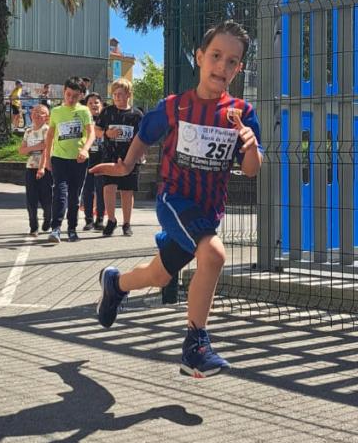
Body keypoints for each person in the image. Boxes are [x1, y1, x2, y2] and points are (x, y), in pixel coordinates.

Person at [91, 21, 263, 377]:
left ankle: (115, 285)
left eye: (232, 61)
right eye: (216, 56)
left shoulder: (241, 114)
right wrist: (125, 166)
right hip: (174, 200)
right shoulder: (176, 107)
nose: (222, 66)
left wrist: (250, 145)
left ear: (239, 68)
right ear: (200, 57)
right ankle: (195, 346)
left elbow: (251, 169)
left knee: (158, 275)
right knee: (213, 254)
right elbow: (144, 134)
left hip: (207, 212)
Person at [39, 76, 95, 243]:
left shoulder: (84, 111)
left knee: (74, 196)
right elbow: (50, 136)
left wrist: (85, 149)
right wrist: (47, 158)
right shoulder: (56, 112)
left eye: (75, 96)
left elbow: (91, 133)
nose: (71, 99)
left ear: (81, 95)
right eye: (68, 94)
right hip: (59, 158)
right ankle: (56, 228)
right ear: (64, 92)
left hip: (78, 160)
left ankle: (72, 229)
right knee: (60, 192)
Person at [98, 77, 143, 237]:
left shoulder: (137, 114)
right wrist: (106, 133)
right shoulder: (107, 111)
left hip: (130, 157)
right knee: (109, 188)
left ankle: (127, 223)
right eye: (115, 94)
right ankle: (111, 220)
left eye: (120, 94)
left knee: (127, 191)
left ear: (128, 94)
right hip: (110, 156)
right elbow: (96, 130)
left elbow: (142, 137)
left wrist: (139, 154)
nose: (117, 97)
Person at [19, 103, 53, 234]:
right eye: (35, 112)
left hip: (45, 167)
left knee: (46, 198)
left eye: (41, 112)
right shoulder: (28, 131)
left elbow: (47, 149)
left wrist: (42, 167)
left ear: (47, 117)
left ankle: (48, 219)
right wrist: (35, 147)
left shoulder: (47, 130)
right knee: (31, 198)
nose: (37, 115)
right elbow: (22, 150)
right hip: (30, 167)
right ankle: (33, 226)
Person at [80, 92, 106, 230]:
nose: (93, 105)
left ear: (101, 104)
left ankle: (100, 219)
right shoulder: (84, 120)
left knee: (101, 189)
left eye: (96, 102)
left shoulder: (107, 119)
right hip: (88, 158)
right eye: (90, 103)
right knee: (88, 190)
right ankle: (88, 220)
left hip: (103, 158)